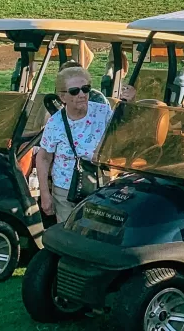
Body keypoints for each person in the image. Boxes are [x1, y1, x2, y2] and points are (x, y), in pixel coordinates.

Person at [36, 65, 135, 223]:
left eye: (86, 89)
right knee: (69, 234)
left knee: (96, 233)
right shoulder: (55, 123)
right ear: (63, 97)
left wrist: (129, 104)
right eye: (75, 91)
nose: (82, 95)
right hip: (66, 189)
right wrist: (45, 194)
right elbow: (43, 157)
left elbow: (123, 133)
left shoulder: (102, 112)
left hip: (99, 186)